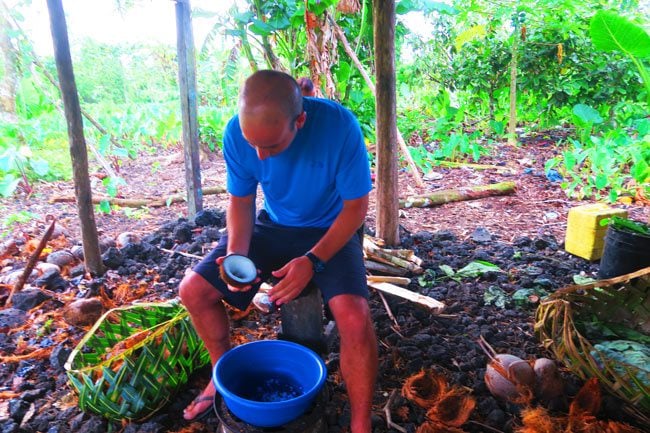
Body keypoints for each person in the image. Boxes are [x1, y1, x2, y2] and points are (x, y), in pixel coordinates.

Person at [179, 70, 378, 433]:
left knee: (354, 318)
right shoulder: (237, 135)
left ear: (299, 121)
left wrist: (313, 260)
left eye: (270, 146)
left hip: (332, 228)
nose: (259, 154)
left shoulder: (339, 127)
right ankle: (220, 376)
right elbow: (240, 200)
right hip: (273, 224)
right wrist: (237, 258)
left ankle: (361, 423)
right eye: (251, 142)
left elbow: (356, 209)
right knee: (193, 290)